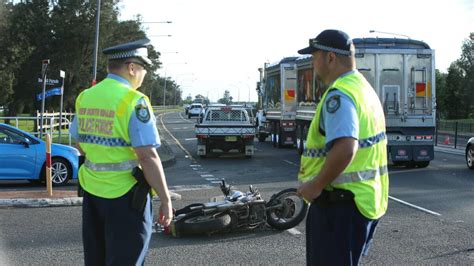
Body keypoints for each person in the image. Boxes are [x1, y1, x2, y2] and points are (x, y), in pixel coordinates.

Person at [69, 38, 173, 265]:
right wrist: (165, 199)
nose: (144, 74)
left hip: (92, 193)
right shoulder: (134, 101)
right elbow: (147, 156)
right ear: (131, 67)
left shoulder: (86, 96)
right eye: (143, 68)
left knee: (97, 258)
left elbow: (78, 141)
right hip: (125, 197)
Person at [296, 29, 389, 265]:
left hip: (339, 207)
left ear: (330, 58)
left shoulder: (340, 95)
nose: (312, 63)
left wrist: (315, 185)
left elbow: (347, 147)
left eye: (314, 56)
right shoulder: (363, 89)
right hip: (363, 202)